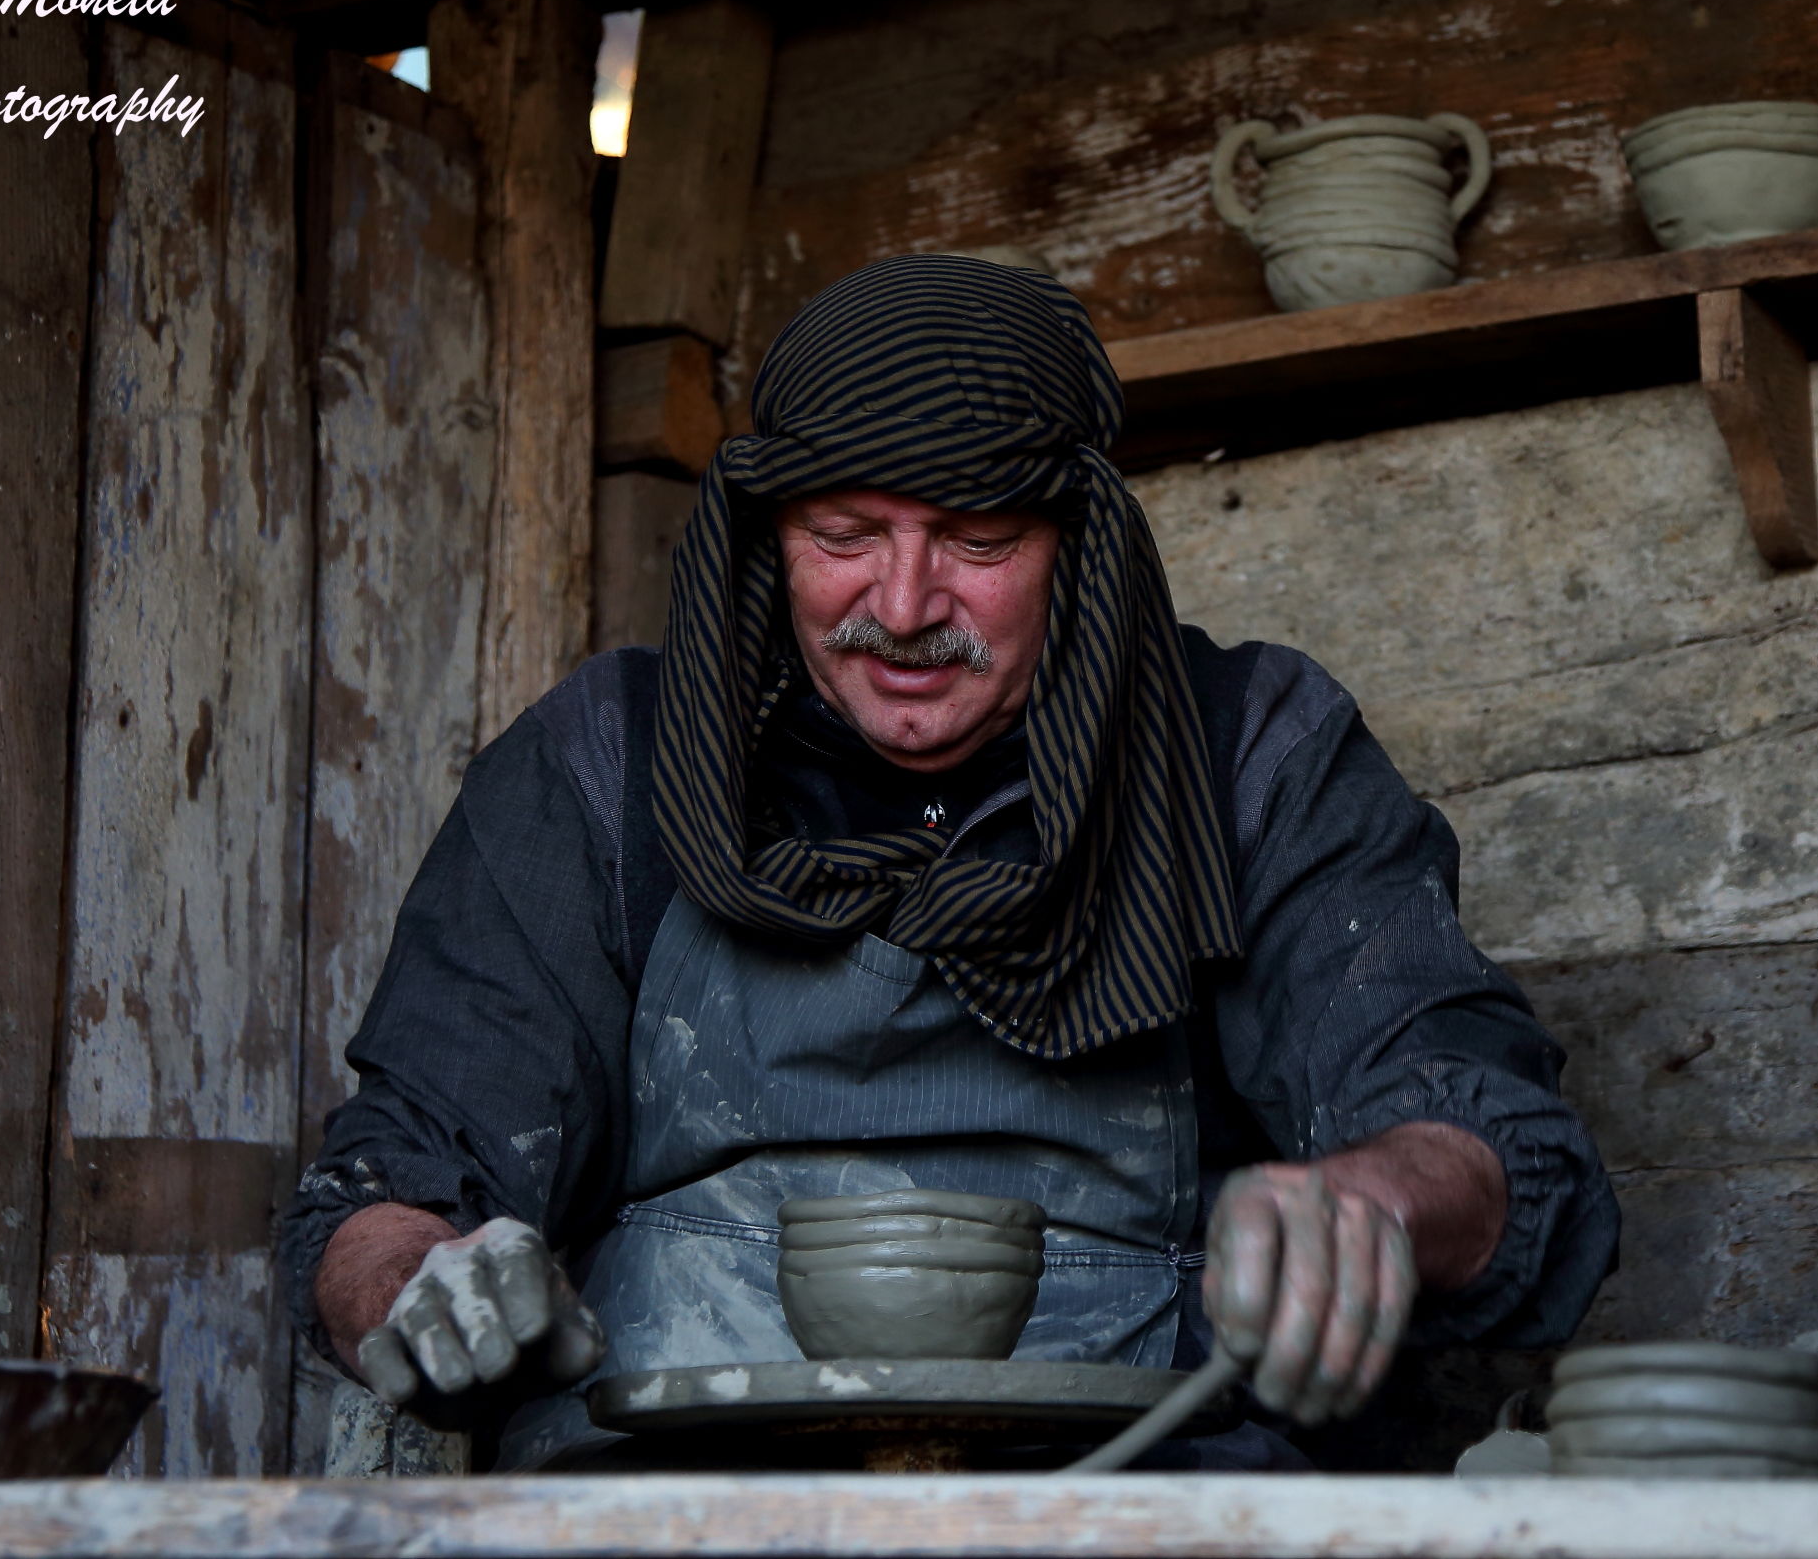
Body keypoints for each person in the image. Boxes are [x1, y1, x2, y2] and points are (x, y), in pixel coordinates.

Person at [278, 255, 1620, 1470]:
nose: (907, 606)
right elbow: (395, 1181)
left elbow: (1487, 1136)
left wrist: (1379, 1195)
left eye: (979, 539)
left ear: (1077, 545)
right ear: (764, 536)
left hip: (1133, 1496)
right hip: (669, 1502)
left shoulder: (1243, 753)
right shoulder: (608, 765)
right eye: (843, 534)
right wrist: (415, 1277)